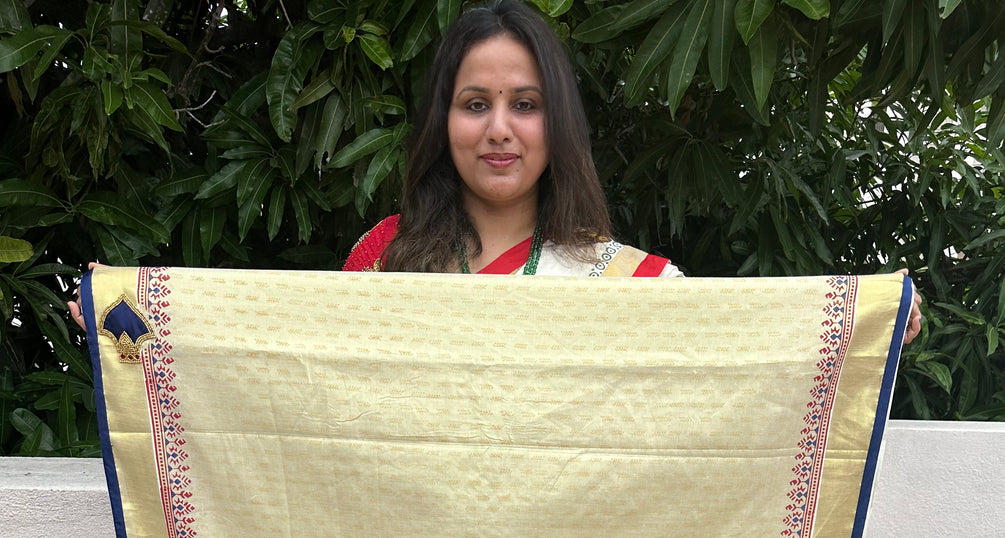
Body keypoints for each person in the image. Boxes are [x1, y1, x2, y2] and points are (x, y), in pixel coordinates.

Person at [70, 0, 922, 335]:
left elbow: (743, 357)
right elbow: (289, 363)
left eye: (525, 103)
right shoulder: (383, 260)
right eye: (474, 104)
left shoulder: (635, 284)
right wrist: (131, 318)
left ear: (559, 124)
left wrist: (867, 328)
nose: (500, 130)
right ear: (444, 122)